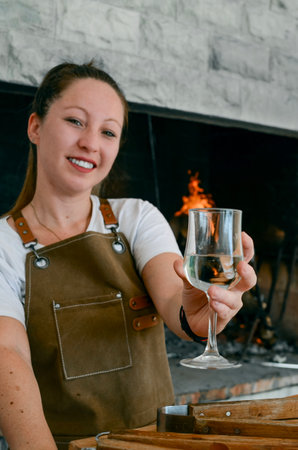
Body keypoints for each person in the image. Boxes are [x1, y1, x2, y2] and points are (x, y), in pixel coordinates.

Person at [0, 62, 256, 450]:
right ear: (35, 126)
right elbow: (7, 354)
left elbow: (176, 301)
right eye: (75, 121)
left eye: (108, 131)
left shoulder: (137, 217)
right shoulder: (3, 242)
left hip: (157, 443)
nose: (91, 143)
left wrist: (202, 315)